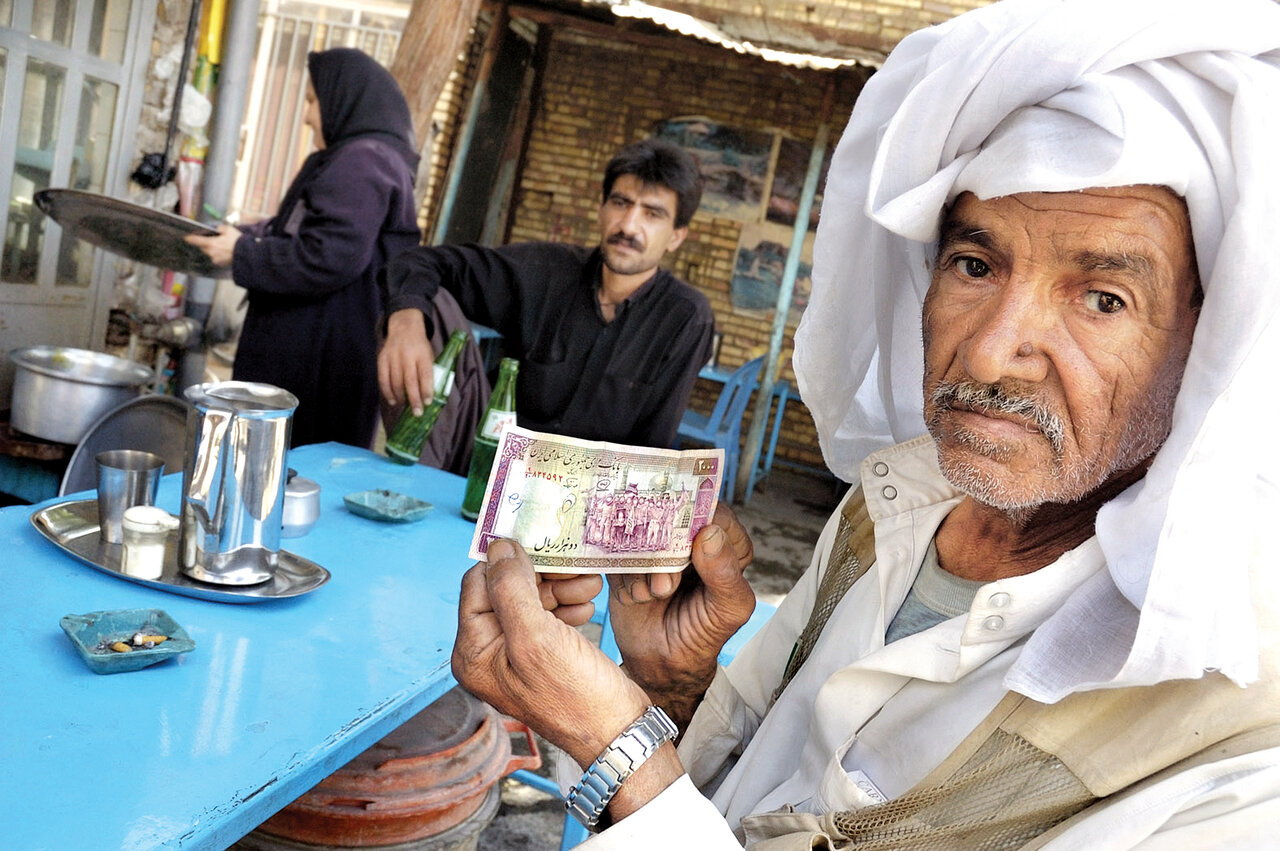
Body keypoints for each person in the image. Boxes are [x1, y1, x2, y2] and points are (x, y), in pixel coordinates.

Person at [448, 0, 1280, 846]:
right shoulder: (885, 510)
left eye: (1102, 298)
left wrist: (618, 748)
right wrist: (672, 682)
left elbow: (657, 794)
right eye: (975, 263)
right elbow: (739, 798)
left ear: (1206, 343)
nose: (991, 354)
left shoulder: (1238, 734)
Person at [377, 137, 715, 449]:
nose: (628, 226)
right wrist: (406, 323)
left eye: (652, 214)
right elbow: (420, 261)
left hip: (584, 489)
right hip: (489, 452)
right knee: (423, 302)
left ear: (676, 236)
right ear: (601, 209)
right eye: (620, 203)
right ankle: (417, 484)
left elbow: (653, 443)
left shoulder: (685, 318)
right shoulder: (546, 270)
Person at [186, 47, 421, 448]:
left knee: (288, 477)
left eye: (313, 100)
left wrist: (242, 252)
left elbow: (328, 257)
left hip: (315, 366)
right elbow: (303, 227)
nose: (308, 114)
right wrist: (243, 234)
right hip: (325, 354)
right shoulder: (366, 158)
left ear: (344, 98)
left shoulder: (362, 161)